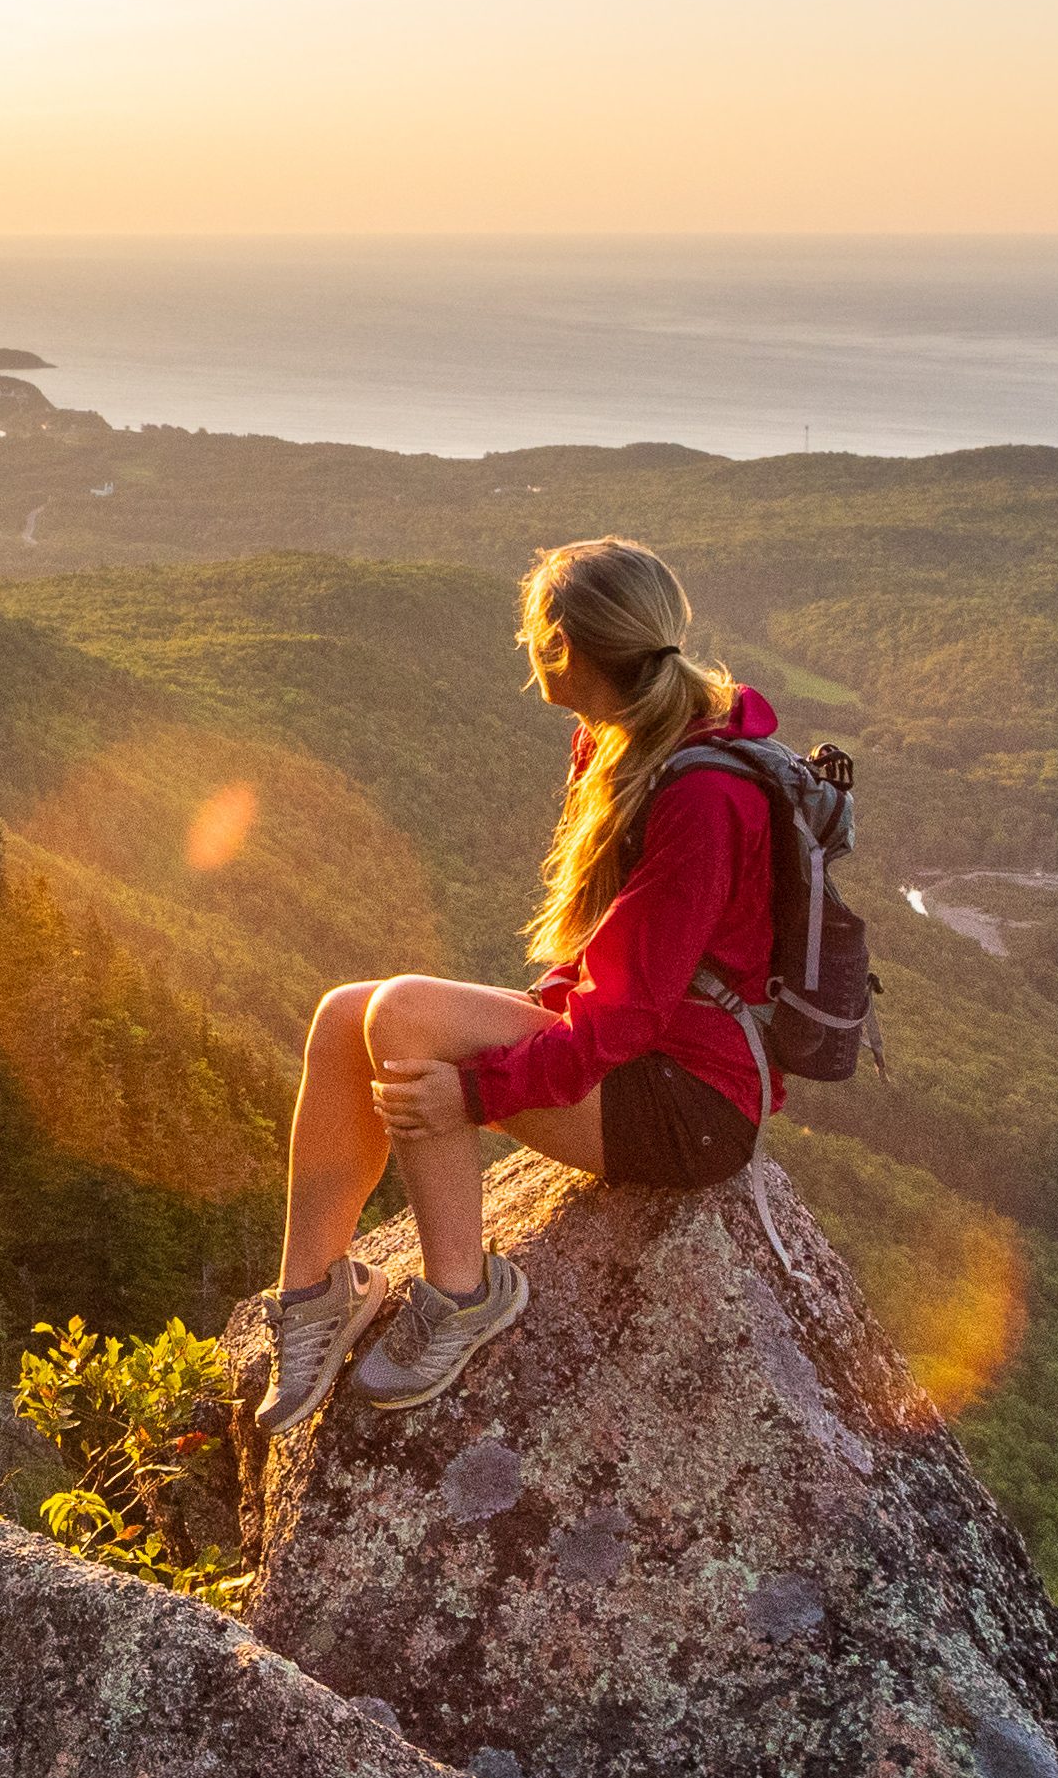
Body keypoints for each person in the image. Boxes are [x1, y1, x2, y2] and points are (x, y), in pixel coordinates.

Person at [260, 536, 783, 1424]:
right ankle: (314, 1294)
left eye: (534, 629)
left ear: (565, 646)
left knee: (404, 1018)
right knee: (343, 1015)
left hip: (692, 1106)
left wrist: (475, 1090)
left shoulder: (702, 794)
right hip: (645, 1057)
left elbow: (627, 1014)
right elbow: (608, 956)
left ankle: (465, 1296)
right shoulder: (619, 740)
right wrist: (520, 1027)